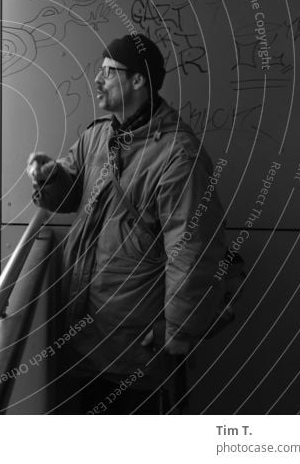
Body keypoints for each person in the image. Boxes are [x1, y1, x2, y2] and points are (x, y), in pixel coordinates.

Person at [27, 34, 228, 414]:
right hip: (87, 328)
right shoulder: (99, 135)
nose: (98, 81)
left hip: (137, 342)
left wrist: (176, 335)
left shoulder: (178, 157)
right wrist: (49, 176)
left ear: (139, 81)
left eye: (109, 72)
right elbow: (70, 198)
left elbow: (193, 250)